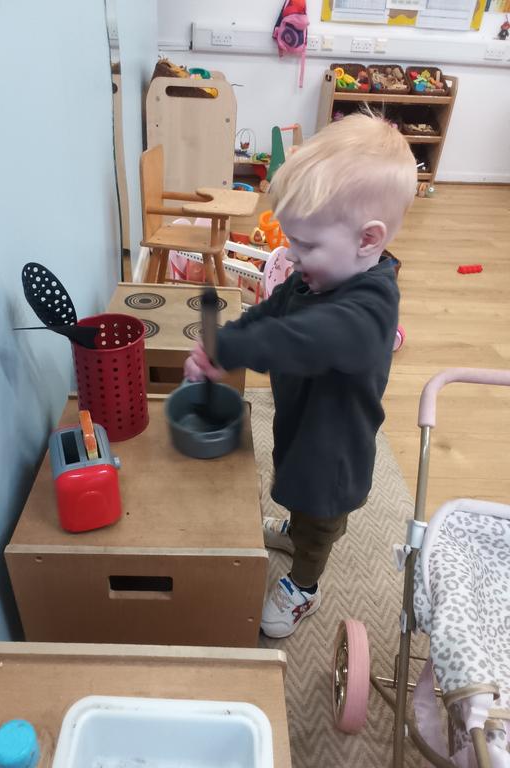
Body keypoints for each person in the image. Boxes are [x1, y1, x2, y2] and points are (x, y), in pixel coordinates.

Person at [184, 112, 417, 638]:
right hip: (301, 419)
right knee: (289, 481)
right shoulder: (314, 277)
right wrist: (229, 338)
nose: (291, 254)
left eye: (306, 244)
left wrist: (234, 348)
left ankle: (305, 586)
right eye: (292, 239)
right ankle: (294, 525)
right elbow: (275, 314)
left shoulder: (369, 309)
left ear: (368, 238)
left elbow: (300, 339)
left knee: (319, 516)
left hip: (335, 448)